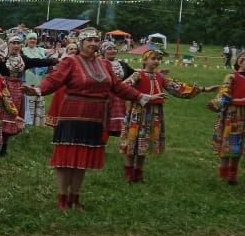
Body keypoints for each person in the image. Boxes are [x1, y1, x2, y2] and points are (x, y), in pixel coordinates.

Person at [24, 28, 151, 211]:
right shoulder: (70, 61)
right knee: (66, 159)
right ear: (81, 43)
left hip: (95, 118)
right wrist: (37, 90)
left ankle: (75, 197)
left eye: (95, 40)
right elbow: (54, 79)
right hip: (72, 117)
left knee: (82, 160)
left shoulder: (105, 65)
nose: (93, 43)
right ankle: (62, 199)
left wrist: (141, 97)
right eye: (89, 40)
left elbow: (118, 87)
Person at [119, 50, 207, 182]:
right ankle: (128, 173)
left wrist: (201, 89)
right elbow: (123, 87)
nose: (156, 61)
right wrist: (142, 97)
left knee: (144, 143)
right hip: (138, 112)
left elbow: (178, 88)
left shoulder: (161, 77)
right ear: (144, 60)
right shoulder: (138, 74)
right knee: (132, 142)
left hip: (154, 113)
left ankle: (138, 173)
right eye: (153, 58)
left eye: (158, 59)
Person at [213, 51, 245, 184]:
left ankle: (233, 173)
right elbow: (224, 94)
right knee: (229, 143)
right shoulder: (231, 76)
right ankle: (224, 171)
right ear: (238, 61)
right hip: (233, 115)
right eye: (242, 58)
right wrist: (216, 104)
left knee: (238, 146)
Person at [102, 41, 134, 138]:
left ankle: (119, 130)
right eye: (109, 49)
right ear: (103, 51)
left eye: (114, 48)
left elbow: (134, 74)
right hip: (105, 94)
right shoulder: (98, 63)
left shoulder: (122, 64)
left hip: (120, 94)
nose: (113, 51)